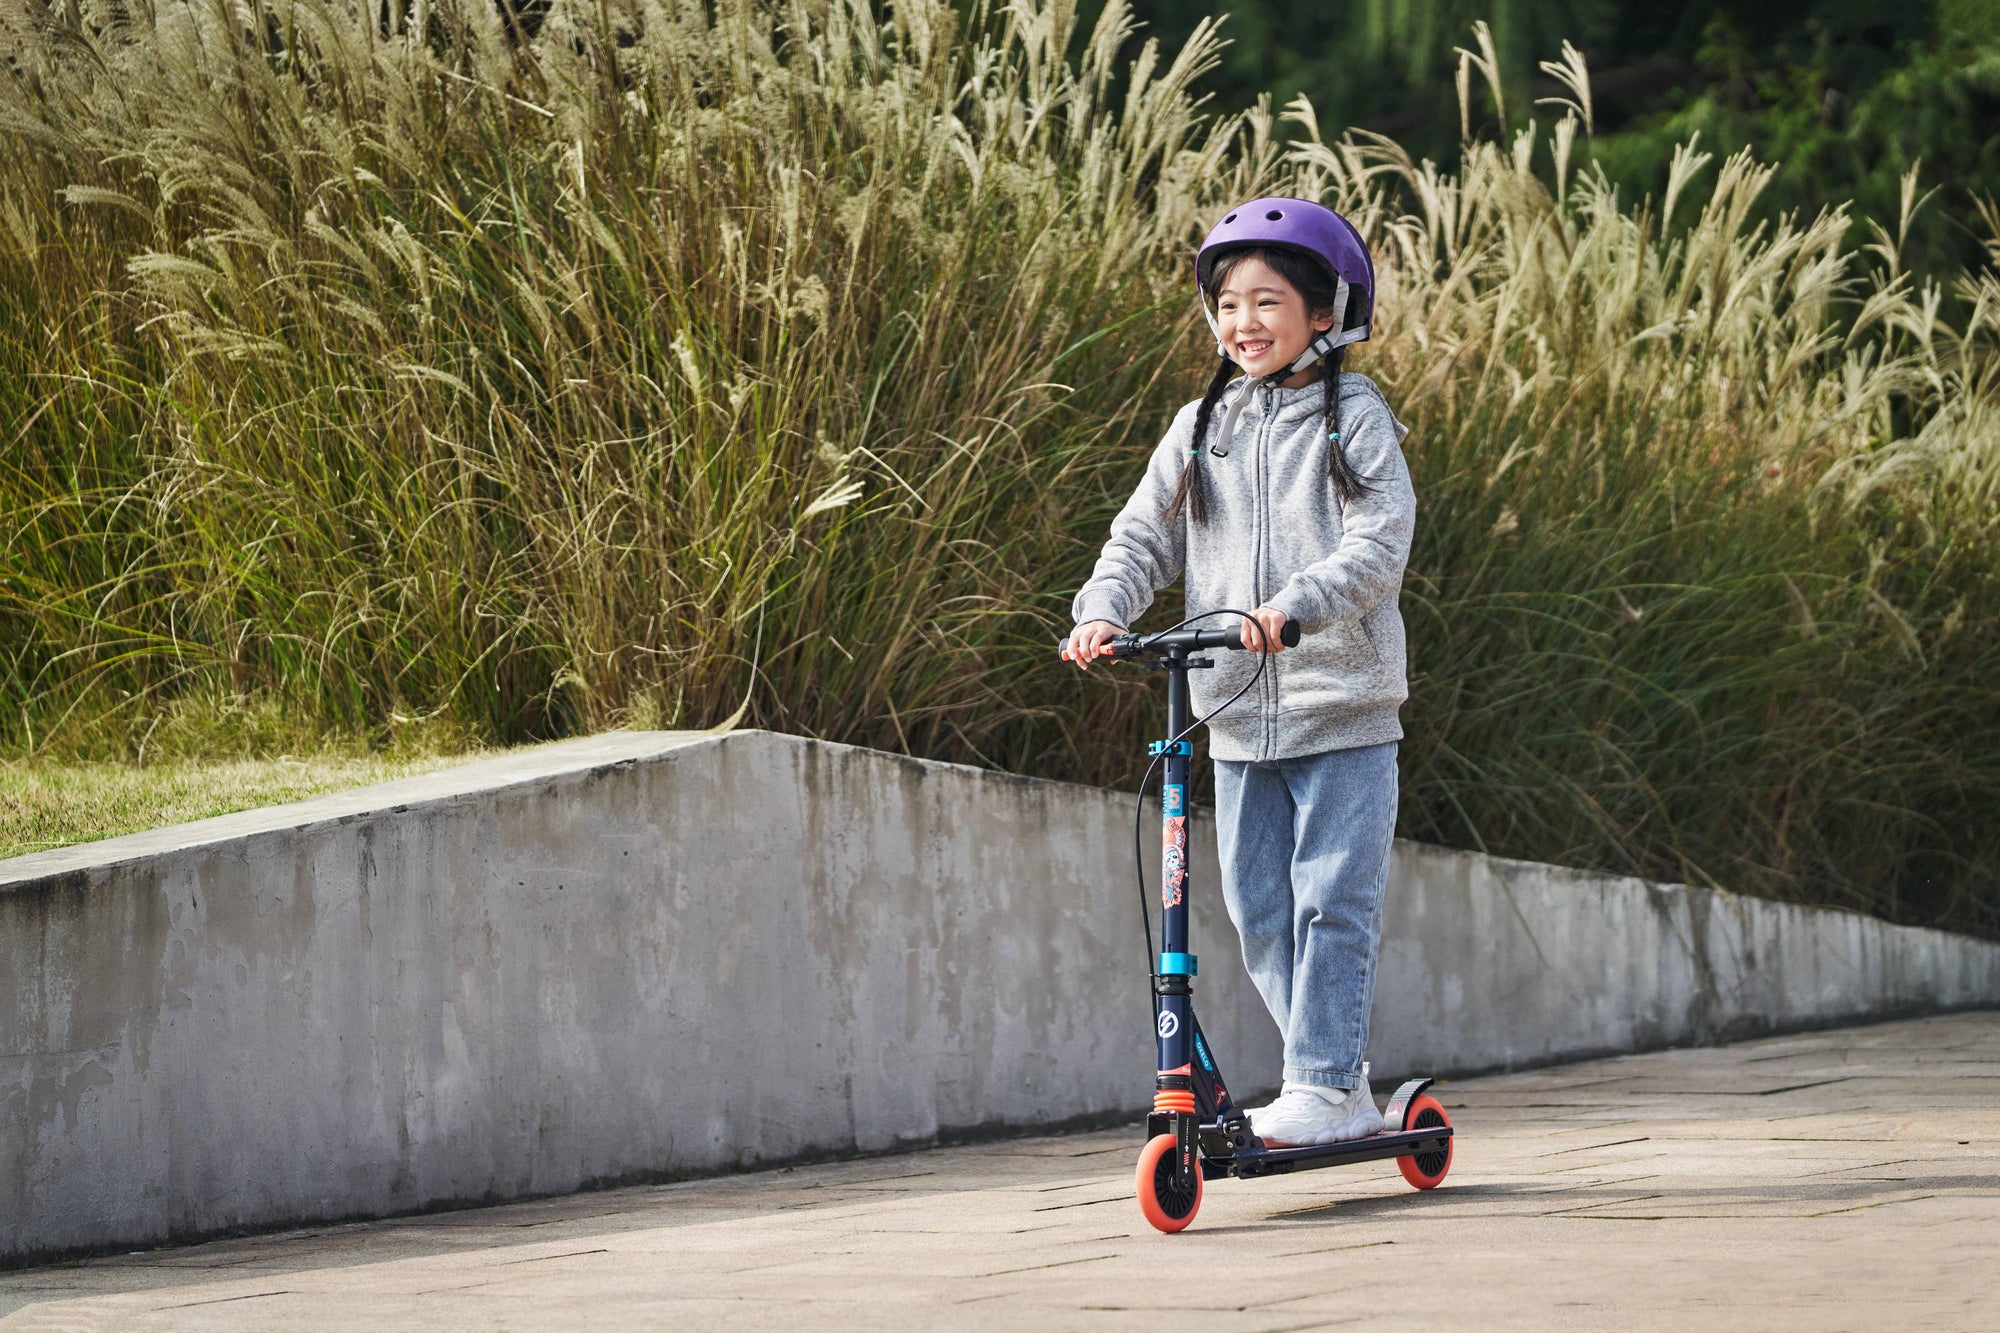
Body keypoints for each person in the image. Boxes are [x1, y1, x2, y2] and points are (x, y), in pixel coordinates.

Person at [1068, 198, 1416, 1147]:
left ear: (1324, 312)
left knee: (1329, 901)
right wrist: (1102, 609)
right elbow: (1145, 533)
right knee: (1260, 909)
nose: (1244, 323)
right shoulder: (1203, 422)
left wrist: (1294, 604)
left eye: (1268, 301)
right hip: (1230, 711)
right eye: (1227, 303)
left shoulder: (1353, 419)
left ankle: (1324, 1079)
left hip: (1341, 705)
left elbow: (1381, 545)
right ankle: (1334, 1076)